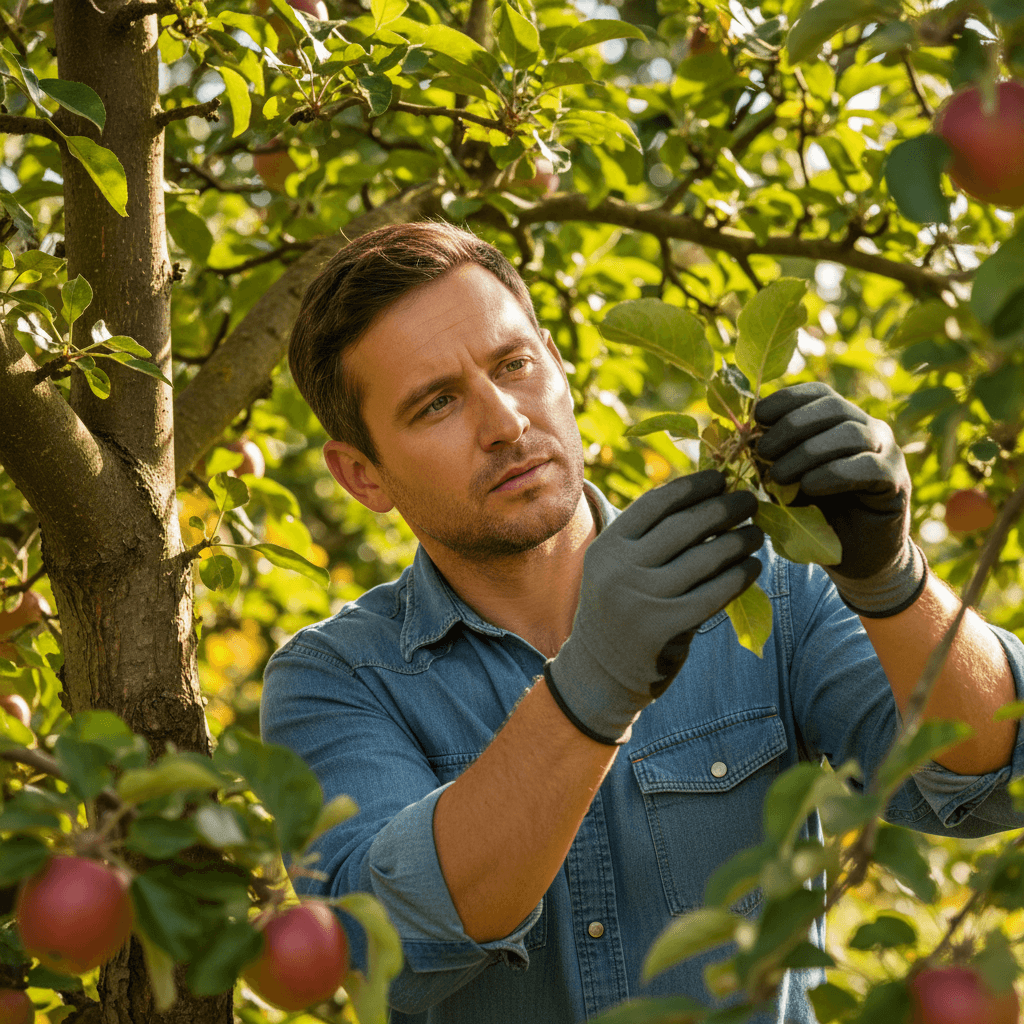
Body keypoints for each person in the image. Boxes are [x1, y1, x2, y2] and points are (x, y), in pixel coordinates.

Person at [261, 220, 1024, 1023]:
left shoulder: (770, 590)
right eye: (436, 403)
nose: (506, 423)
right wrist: (594, 685)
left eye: (514, 365)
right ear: (361, 475)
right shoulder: (336, 678)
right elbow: (382, 945)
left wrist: (892, 580)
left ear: (559, 363)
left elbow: (987, 778)